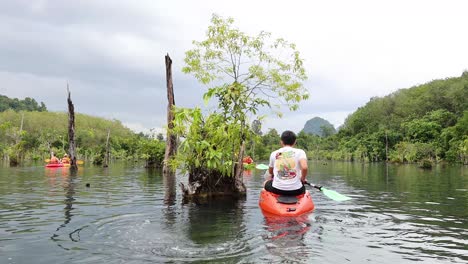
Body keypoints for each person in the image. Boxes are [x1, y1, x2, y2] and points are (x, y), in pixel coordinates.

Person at [264, 130, 308, 196]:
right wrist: (303, 179)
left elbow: (270, 172)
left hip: (277, 189)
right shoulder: (300, 152)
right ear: (295, 141)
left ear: (281, 142)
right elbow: (304, 168)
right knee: (300, 179)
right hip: (297, 191)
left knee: (265, 182)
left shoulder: (274, 153)